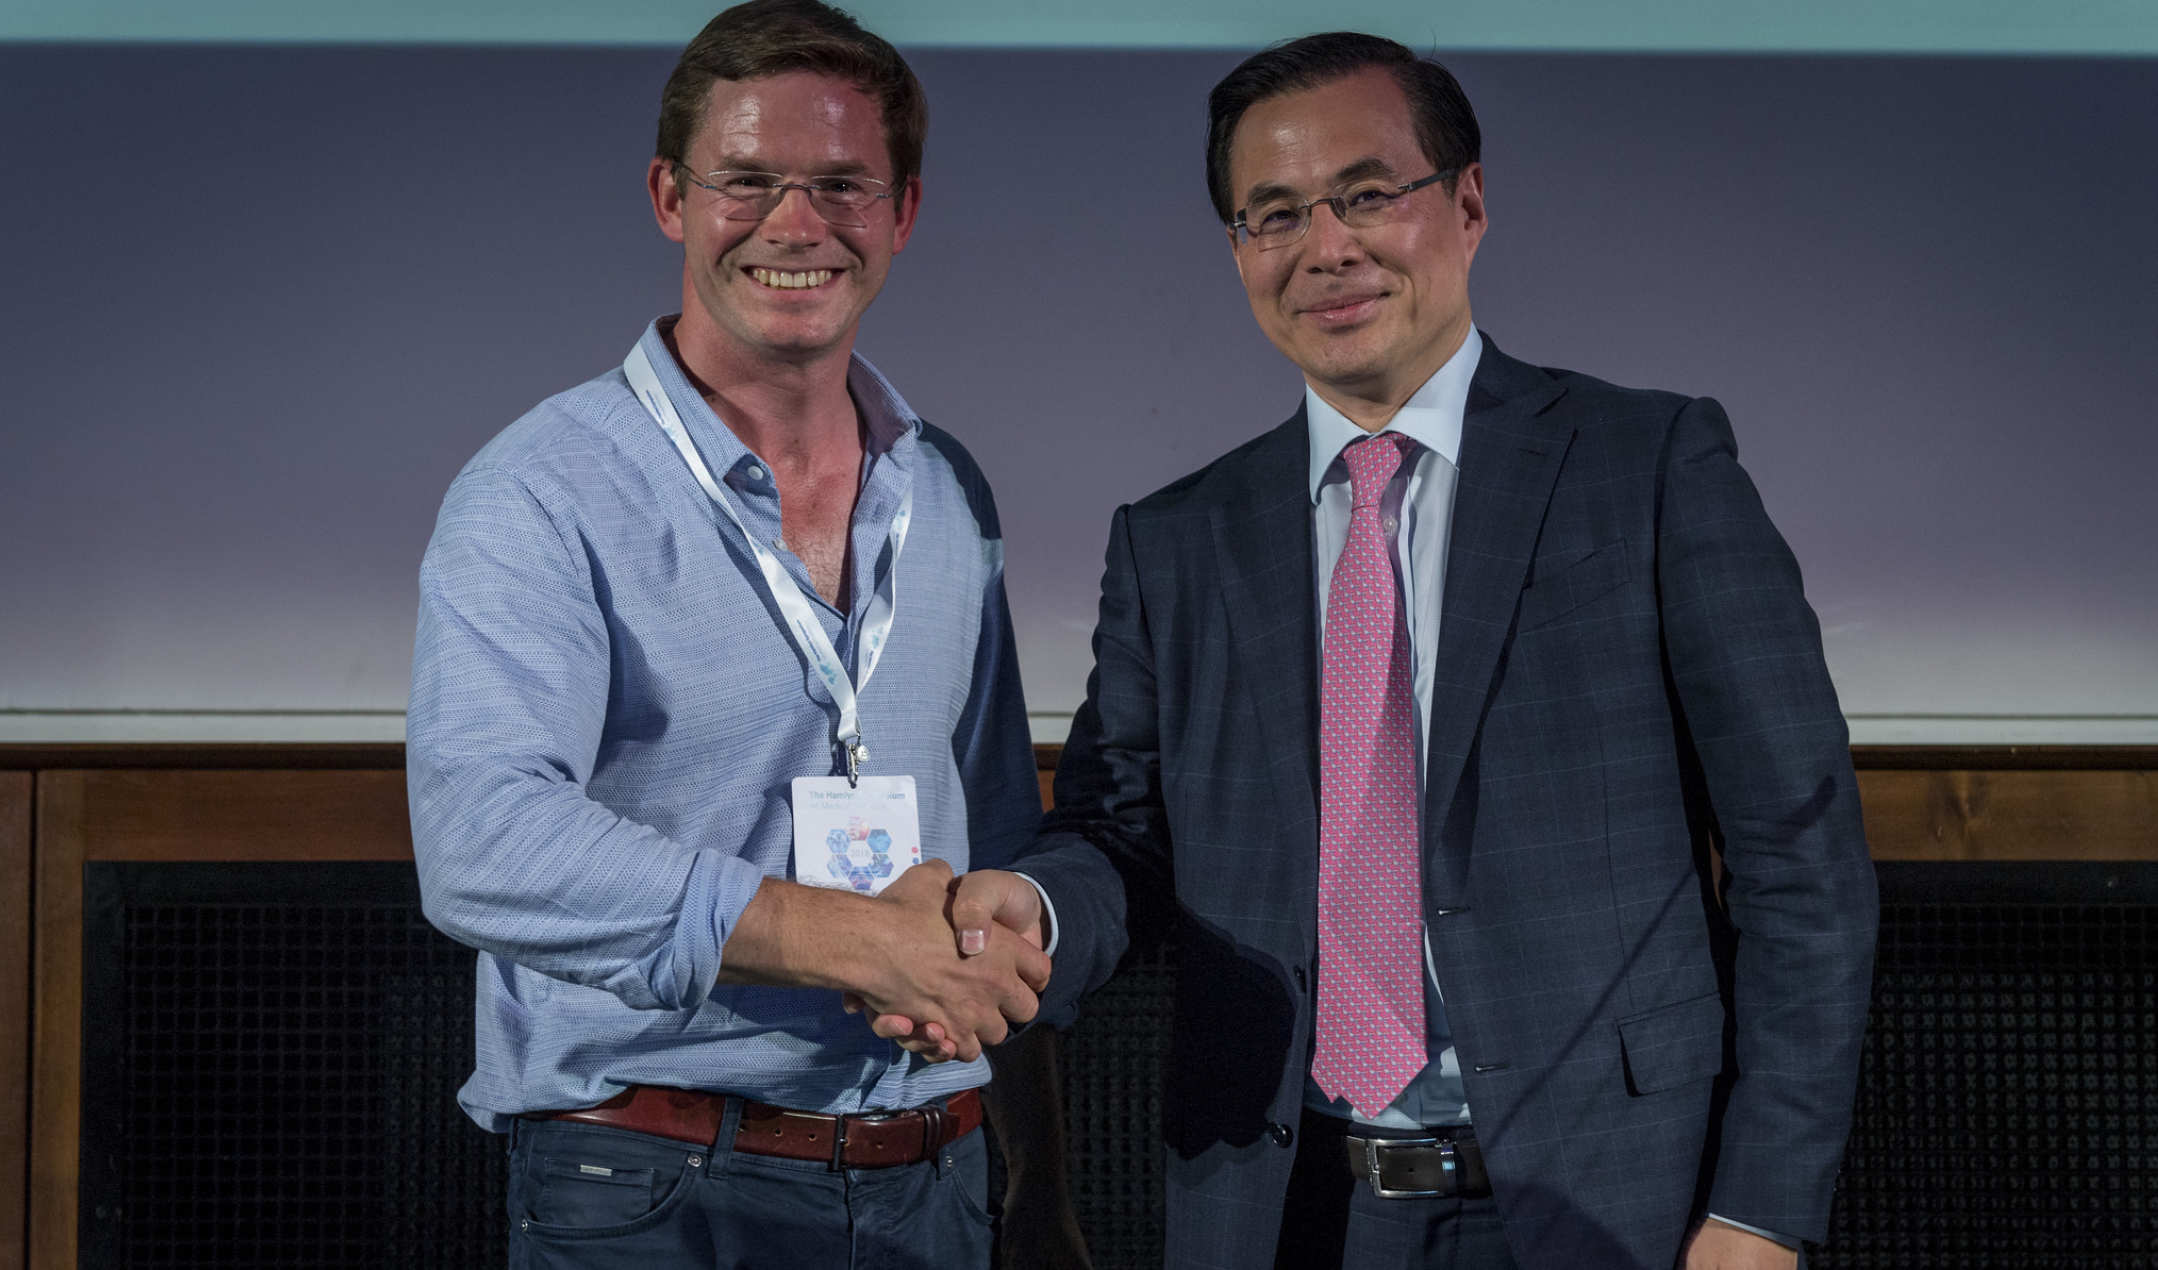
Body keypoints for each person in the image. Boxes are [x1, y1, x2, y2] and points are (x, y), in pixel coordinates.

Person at [910, 31, 1878, 1270]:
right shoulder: (1176, 539)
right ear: (1238, 251)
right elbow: (1122, 833)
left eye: (1366, 194)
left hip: (1615, 1198)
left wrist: (1759, 1210)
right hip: (1284, 1207)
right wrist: (1038, 905)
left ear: (1467, 204)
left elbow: (1801, 862)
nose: (1325, 246)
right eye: (1274, 214)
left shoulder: (1646, 466)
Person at [405, 3, 1081, 1265]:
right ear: (671, 197)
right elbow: (481, 842)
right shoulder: (541, 489)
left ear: (902, 212)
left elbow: (995, 834)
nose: (795, 223)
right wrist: (842, 937)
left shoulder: (946, 489)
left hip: (936, 1175)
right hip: (653, 1183)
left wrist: (1036, 1176)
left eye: (842, 185)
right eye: (749, 181)